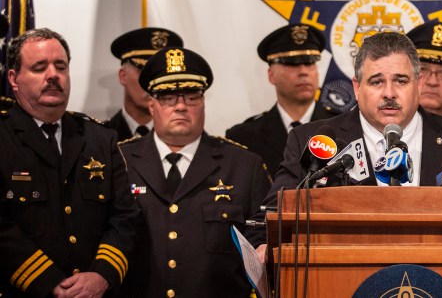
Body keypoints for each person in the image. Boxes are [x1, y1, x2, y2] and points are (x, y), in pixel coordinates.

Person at [254, 31, 442, 257]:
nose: (389, 93)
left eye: (400, 81)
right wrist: (265, 248)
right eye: (376, 82)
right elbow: (267, 220)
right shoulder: (312, 139)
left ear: (419, 84)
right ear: (357, 87)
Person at [117, 46, 270, 298]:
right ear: (151, 105)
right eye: (168, 97)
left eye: (191, 96)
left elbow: (262, 240)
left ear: (203, 102)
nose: (180, 106)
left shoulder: (244, 166)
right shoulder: (120, 161)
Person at [0, 28, 138, 298]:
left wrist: (102, 275)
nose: (53, 75)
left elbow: (126, 217)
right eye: (39, 68)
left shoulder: (100, 138)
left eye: (60, 66)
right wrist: (50, 282)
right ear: (14, 79)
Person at [227, 24, 336, 178]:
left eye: (310, 62)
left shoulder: (345, 127)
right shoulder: (243, 138)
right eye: (292, 63)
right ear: (271, 75)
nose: (303, 71)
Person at [108, 27, 183, 141]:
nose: (152, 83)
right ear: (123, 76)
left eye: (160, 74)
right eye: (144, 73)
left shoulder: (183, 137)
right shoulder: (101, 138)